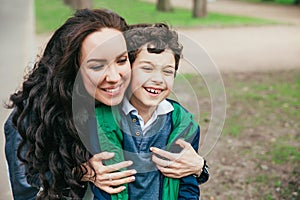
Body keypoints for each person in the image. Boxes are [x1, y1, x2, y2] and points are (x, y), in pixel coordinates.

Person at [4, 8, 207, 200]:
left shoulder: (121, 104)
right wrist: (81, 173)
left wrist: (198, 167)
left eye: (121, 60)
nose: (114, 77)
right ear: (72, 69)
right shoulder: (27, 121)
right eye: (97, 65)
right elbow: (31, 193)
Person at [90, 23, 207, 200]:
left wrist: (199, 167)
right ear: (127, 70)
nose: (158, 79)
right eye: (147, 68)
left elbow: (187, 186)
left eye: (168, 72)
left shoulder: (183, 124)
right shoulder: (100, 120)